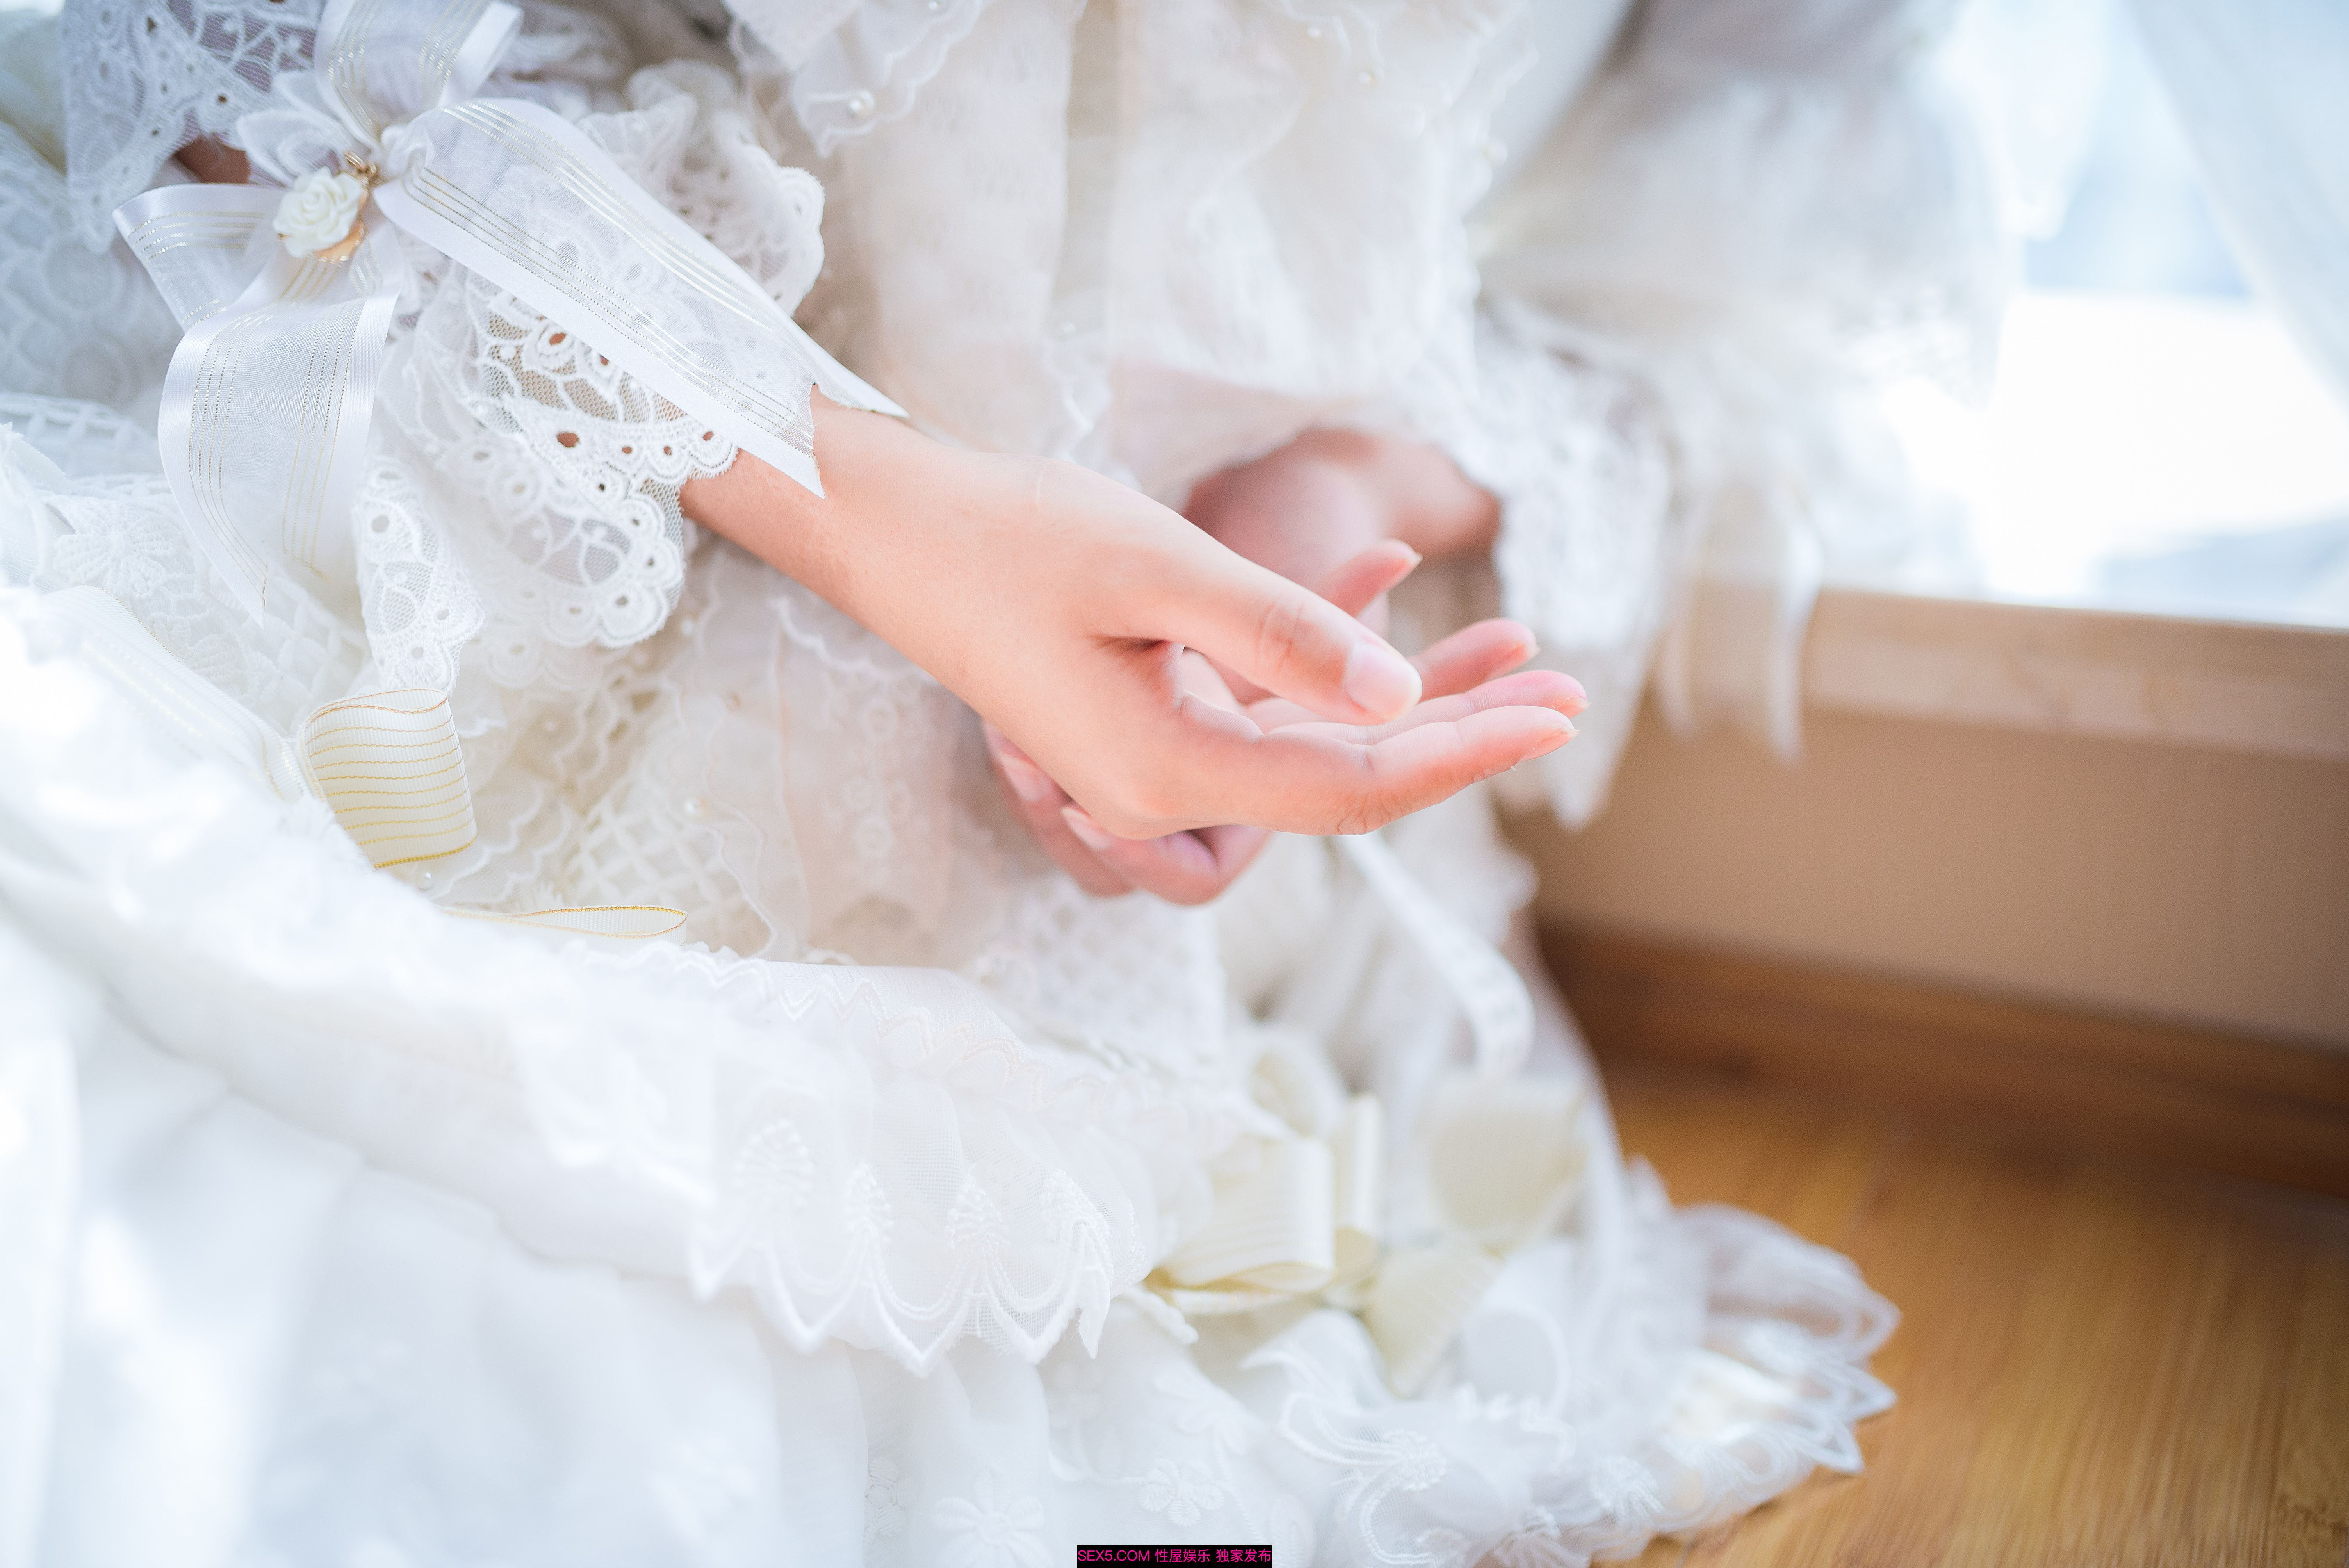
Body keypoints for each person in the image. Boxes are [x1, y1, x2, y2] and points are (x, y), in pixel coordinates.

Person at [0, 0, 1994, 1560]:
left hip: (1237, 878)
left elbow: (1748, 240)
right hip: (550, 571)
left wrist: (1335, 493)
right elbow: (260, 70)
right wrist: (896, 515)